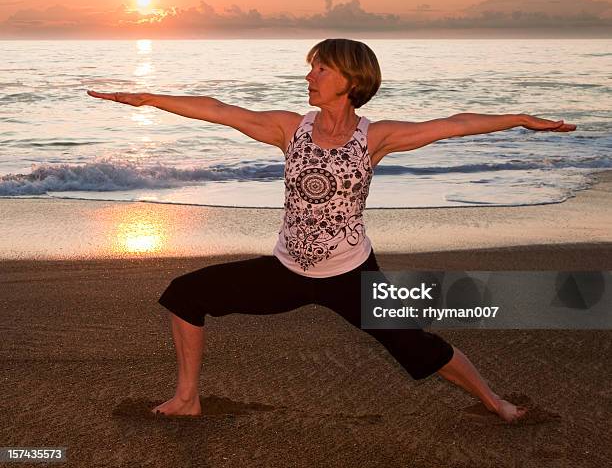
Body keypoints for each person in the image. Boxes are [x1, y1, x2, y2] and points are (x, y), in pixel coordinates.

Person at [87, 38, 576, 423]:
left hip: (350, 273)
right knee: (185, 294)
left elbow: (452, 123)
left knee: (416, 345)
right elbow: (218, 109)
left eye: (321, 68)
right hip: (287, 268)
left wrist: (518, 120)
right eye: (312, 67)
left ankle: (495, 403)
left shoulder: (375, 137)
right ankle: (187, 398)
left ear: (351, 78)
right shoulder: (289, 128)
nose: (309, 76)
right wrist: (148, 98)